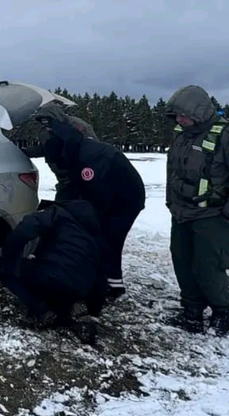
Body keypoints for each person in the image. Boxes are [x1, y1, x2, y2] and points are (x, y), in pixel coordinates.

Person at [163, 85, 229, 336]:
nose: (179, 120)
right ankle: (191, 312)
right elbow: (172, 171)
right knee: (182, 262)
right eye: (176, 117)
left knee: (209, 267)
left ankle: (221, 312)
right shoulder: (182, 135)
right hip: (182, 213)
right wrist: (171, 203)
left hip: (214, 216)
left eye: (183, 115)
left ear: (199, 111)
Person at [33, 102, 146, 299]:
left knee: (108, 238)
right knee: (98, 234)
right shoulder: (69, 146)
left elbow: (97, 195)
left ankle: (109, 286)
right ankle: (105, 281)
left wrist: (89, 216)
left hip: (126, 199)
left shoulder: (88, 158)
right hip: (104, 189)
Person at [0, 199, 108, 343]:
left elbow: (27, 227)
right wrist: (94, 310)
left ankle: (42, 310)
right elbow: (101, 279)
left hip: (52, 276)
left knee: (3, 267)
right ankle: (69, 315)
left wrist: (9, 253)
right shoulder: (95, 237)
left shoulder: (58, 214)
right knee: (61, 294)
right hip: (79, 288)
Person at [21, 113, 100, 201]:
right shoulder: (47, 133)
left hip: (81, 179)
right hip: (64, 180)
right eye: (43, 122)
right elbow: (46, 148)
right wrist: (23, 152)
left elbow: (90, 147)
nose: (46, 125)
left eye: (47, 121)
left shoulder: (74, 127)